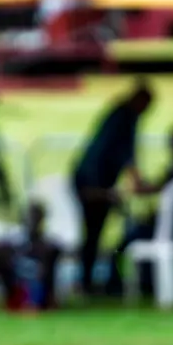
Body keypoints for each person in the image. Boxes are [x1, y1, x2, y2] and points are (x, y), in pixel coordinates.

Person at [70, 80, 154, 295]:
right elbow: (125, 155)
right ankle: (90, 281)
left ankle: (92, 279)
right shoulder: (125, 118)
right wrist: (137, 182)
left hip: (94, 181)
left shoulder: (118, 114)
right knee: (93, 232)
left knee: (94, 233)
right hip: (93, 183)